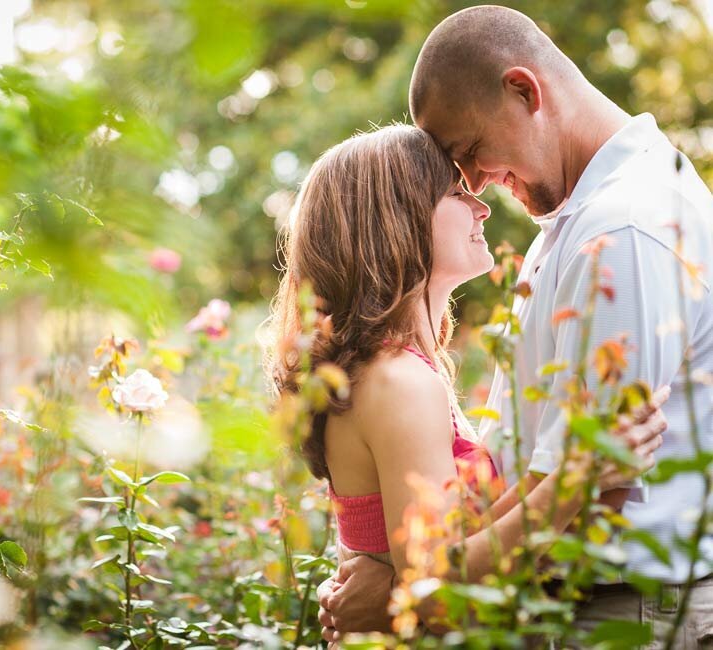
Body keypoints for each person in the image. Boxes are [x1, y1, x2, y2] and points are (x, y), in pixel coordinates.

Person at [317, 5, 713, 646]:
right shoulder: (572, 220)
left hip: (620, 610)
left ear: (524, 91)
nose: (475, 186)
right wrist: (418, 584)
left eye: (470, 152)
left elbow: (596, 496)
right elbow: (544, 470)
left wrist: (405, 596)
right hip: (562, 602)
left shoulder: (623, 228)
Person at [267, 123, 668, 635]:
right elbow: (434, 594)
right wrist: (574, 482)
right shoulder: (398, 383)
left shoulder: (399, 370)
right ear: (398, 218)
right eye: (457, 193)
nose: (482, 207)